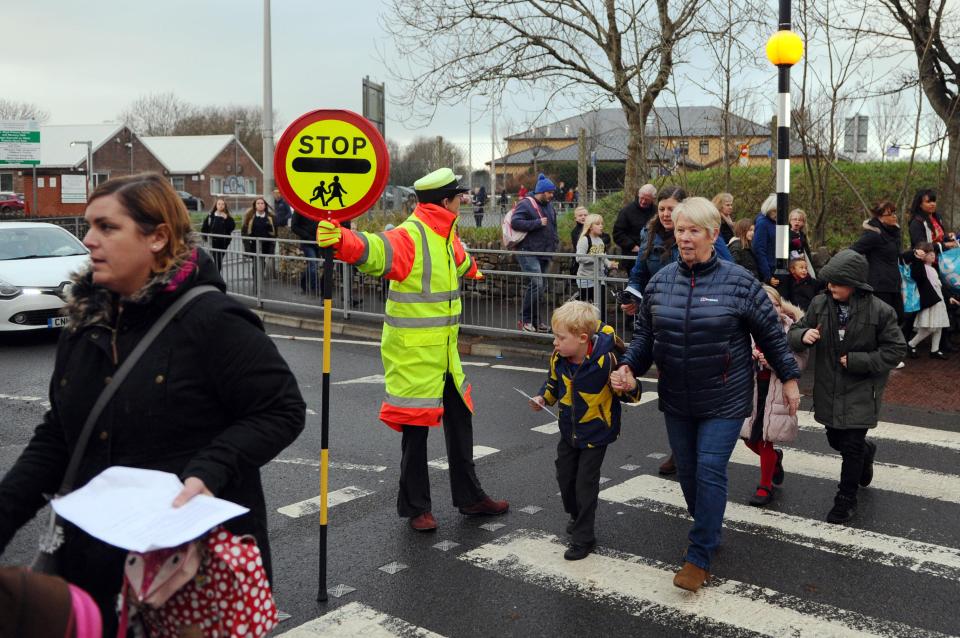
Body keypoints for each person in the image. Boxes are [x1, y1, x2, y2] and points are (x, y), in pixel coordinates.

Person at [0, 173, 305, 633]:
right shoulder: (85, 323)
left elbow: (281, 408)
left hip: (186, 573)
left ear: (158, 236)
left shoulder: (213, 320)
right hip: (93, 566)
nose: (89, 240)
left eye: (107, 227)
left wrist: (209, 470)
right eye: (89, 226)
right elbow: (58, 437)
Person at [611, 196, 801, 592]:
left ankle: (698, 555)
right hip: (677, 396)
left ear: (714, 235)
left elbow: (770, 335)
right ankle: (709, 527)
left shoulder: (739, 283)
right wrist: (629, 365)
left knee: (711, 468)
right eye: (680, 230)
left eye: (693, 230)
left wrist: (789, 378)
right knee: (689, 473)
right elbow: (646, 336)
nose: (684, 238)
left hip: (724, 396)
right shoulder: (660, 281)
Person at [315, 167, 508, 531]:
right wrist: (341, 239)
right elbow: (376, 251)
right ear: (445, 202)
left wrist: (473, 268)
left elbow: (457, 260)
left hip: (445, 357)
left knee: (460, 422)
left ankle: (470, 498)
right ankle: (416, 507)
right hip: (415, 356)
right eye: (458, 197)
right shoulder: (411, 235)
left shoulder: (445, 234)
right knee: (416, 433)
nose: (463, 201)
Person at [788, 249, 905, 524]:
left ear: (854, 283)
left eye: (837, 283)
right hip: (829, 388)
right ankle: (867, 452)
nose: (831, 287)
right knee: (836, 440)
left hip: (863, 389)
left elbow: (896, 349)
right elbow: (794, 331)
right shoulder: (819, 304)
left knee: (850, 446)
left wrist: (858, 360)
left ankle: (845, 500)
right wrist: (803, 335)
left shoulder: (880, 310)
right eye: (829, 282)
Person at [530, 302, 640, 560]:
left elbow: (632, 395)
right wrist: (543, 398)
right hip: (568, 430)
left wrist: (626, 387)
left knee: (585, 485)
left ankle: (583, 538)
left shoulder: (608, 360)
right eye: (555, 336)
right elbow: (553, 382)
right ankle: (576, 515)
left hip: (596, 432)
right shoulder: (559, 357)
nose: (555, 343)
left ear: (581, 339)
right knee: (564, 478)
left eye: (560, 337)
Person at [740, 286, 807, 507]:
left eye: (775, 304)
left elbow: (799, 363)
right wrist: (748, 355)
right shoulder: (746, 329)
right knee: (749, 439)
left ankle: (765, 486)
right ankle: (775, 459)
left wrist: (774, 363)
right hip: (749, 392)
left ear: (781, 307)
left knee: (764, 439)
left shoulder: (791, 331)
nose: (771, 308)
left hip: (775, 392)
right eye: (764, 304)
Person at [511, 173, 559, 333]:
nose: (552, 195)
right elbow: (515, 222)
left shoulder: (549, 206)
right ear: (542, 191)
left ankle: (536, 322)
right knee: (537, 284)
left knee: (540, 287)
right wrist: (537, 223)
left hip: (545, 252)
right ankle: (525, 320)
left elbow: (553, 227)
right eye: (550, 192)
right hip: (528, 251)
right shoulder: (526, 204)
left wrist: (555, 243)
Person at [850, 201, 904, 325]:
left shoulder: (893, 233)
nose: (894, 216)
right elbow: (852, 251)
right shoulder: (873, 235)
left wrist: (914, 254)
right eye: (890, 214)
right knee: (884, 321)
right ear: (880, 218)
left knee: (899, 318)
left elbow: (898, 256)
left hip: (893, 283)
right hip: (880, 286)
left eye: (894, 213)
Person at [903, 242, 950, 359]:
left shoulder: (933, 269)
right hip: (930, 301)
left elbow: (939, 287)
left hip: (939, 301)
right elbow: (918, 276)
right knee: (930, 327)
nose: (933, 255)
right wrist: (917, 258)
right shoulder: (920, 267)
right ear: (922, 255)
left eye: (933, 253)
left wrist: (949, 298)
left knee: (939, 325)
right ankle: (911, 344)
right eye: (929, 254)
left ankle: (935, 350)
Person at [575, 214, 617, 316]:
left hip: (599, 279)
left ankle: (600, 327)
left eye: (602, 224)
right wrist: (595, 258)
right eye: (598, 224)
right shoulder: (585, 240)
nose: (601, 226)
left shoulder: (600, 241)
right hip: (586, 279)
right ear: (590, 226)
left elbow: (603, 256)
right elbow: (579, 258)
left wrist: (610, 264)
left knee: (600, 306)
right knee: (586, 307)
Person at [613, 184, 657, 255]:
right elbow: (617, 233)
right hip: (631, 254)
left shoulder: (657, 212)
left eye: (647, 200)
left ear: (653, 199)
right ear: (638, 195)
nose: (643, 202)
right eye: (641, 198)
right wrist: (631, 246)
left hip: (652, 252)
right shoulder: (626, 211)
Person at [242, 197, 277, 282]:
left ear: (265, 206)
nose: (260, 205)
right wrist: (247, 243)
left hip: (266, 244)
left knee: (262, 262)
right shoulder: (250, 217)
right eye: (258, 203)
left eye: (262, 203)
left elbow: (274, 232)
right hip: (254, 244)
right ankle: (256, 281)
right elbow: (244, 231)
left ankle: (260, 278)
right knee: (255, 263)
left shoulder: (271, 217)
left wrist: (272, 244)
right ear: (255, 206)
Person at [200, 198, 235, 272]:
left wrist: (226, 219)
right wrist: (206, 238)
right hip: (213, 242)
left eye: (223, 204)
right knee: (217, 260)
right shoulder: (211, 216)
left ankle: (216, 275)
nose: (221, 206)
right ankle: (217, 275)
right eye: (219, 204)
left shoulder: (227, 216)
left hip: (223, 243)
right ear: (216, 205)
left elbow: (231, 227)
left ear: (225, 206)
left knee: (219, 259)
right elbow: (204, 228)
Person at [752, 194, 780, 286]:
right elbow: (759, 250)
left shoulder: (775, 223)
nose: (776, 214)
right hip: (770, 272)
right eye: (774, 211)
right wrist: (767, 276)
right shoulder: (763, 223)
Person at [291, 208, 320, 294]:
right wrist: (306, 236)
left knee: (312, 266)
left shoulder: (319, 208)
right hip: (307, 243)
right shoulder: (300, 209)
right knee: (313, 265)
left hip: (318, 242)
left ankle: (303, 283)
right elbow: (294, 226)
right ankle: (315, 288)